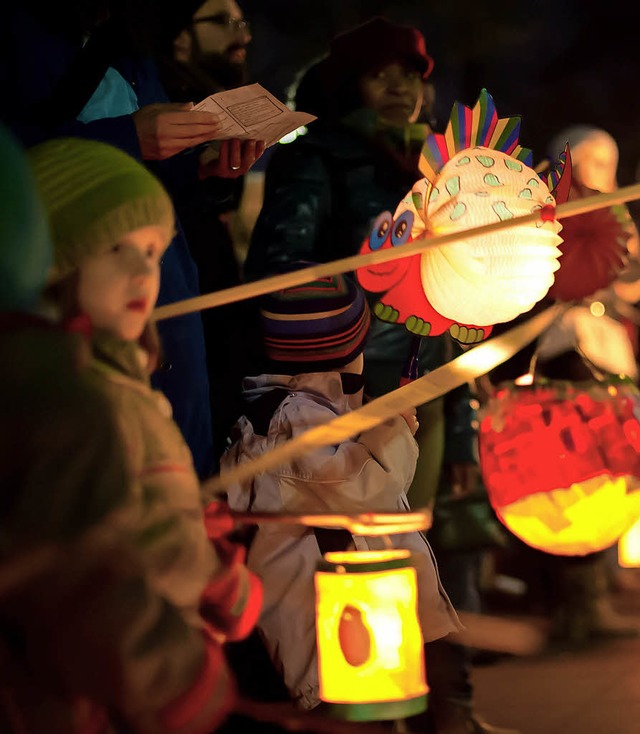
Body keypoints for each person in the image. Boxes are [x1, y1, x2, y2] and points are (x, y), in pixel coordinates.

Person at [244, 16, 518, 734]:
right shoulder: (320, 160)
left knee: (432, 549)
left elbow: (459, 312)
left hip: (428, 394)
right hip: (347, 400)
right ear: (349, 84)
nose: (400, 88)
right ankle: (379, 712)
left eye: (413, 75)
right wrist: (371, 295)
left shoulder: (435, 169)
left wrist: (456, 432)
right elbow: (283, 271)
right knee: (367, 554)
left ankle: (447, 708)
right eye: (380, 73)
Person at [0, 123, 244, 734]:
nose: (143, 270)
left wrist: (190, 518)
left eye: (154, 252)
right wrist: (216, 578)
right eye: (116, 248)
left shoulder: (123, 386)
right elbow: (118, 560)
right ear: (51, 257)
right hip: (105, 693)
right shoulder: (84, 399)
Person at [0, 1, 264, 478]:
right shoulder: (17, 31)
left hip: (171, 305)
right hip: (67, 305)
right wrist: (126, 137)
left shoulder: (125, 41)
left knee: (180, 471)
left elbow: (160, 183)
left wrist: (206, 168)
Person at [219, 270, 462, 717]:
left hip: (354, 627)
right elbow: (362, 488)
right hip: (332, 639)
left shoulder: (305, 412)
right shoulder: (290, 422)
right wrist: (397, 431)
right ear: (346, 354)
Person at [153, 0, 267, 465]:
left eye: (242, 20)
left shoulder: (215, 97)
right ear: (180, 35)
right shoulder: (161, 102)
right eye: (222, 21)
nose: (242, 34)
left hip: (209, 284)